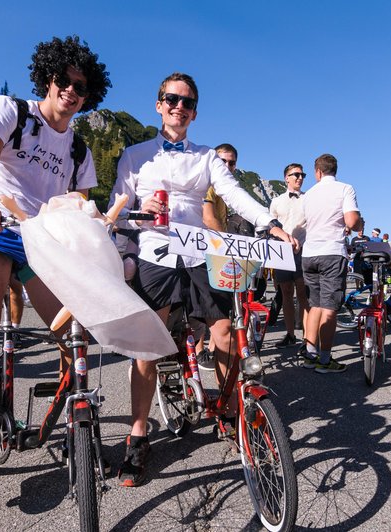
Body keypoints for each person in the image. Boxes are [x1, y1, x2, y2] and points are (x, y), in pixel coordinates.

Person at [110, 72, 296, 488]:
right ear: (159, 104)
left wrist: (269, 222)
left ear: (194, 112)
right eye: (171, 99)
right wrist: (140, 210)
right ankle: (138, 434)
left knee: (226, 332)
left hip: (197, 253)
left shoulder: (208, 156)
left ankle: (232, 412)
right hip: (154, 252)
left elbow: (234, 193)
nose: (179, 106)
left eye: (188, 102)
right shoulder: (135, 155)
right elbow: (115, 211)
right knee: (148, 345)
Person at [0, 36, 110, 504]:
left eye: (81, 86)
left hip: (44, 241)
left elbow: (80, 204)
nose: (71, 90)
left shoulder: (79, 150)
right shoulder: (10, 110)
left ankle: (77, 418)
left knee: (73, 331)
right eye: (64, 80)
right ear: (48, 77)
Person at [300, 153, 362, 372]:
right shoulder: (345, 188)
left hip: (309, 253)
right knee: (329, 308)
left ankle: (310, 355)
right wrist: (358, 222)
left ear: (318, 172)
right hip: (331, 252)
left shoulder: (308, 194)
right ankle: (325, 361)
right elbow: (352, 221)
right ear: (334, 170)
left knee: (314, 305)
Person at [198, 143, 239, 371]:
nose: (227, 166)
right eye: (222, 161)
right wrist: (230, 246)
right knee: (206, 308)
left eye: (231, 162)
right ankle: (198, 352)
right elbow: (209, 219)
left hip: (217, 250)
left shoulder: (226, 190)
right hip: (204, 251)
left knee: (221, 307)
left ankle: (212, 350)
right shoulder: (208, 185)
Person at [270, 163, 308, 348]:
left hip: (303, 250)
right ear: (287, 178)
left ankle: (307, 337)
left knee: (303, 293)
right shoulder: (276, 201)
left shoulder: (309, 199)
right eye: (296, 174)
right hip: (282, 252)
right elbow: (271, 227)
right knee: (285, 293)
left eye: (302, 175)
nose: (300, 178)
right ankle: (290, 334)